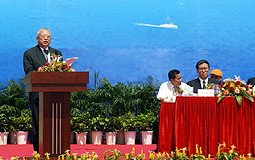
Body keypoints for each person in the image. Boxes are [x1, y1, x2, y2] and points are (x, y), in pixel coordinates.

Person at [23, 28, 62, 152]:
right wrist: (42, 71)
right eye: (43, 36)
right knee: (39, 125)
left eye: (48, 36)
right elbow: (29, 72)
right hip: (38, 95)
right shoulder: (29, 53)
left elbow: (60, 72)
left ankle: (56, 150)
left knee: (55, 125)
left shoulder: (57, 53)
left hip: (56, 96)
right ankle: (39, 152)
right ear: (37, 38)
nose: (46, 38)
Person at [153, 69, 193, 152]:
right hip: (167, 112)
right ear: (171, 80)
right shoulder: (164, 85)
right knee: (156, 123)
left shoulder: (184, 86)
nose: (180, 80)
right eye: (178, 79)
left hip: (181, 113)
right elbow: (161, 97)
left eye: (181, 78)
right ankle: (160, 146)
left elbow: (190, 94)